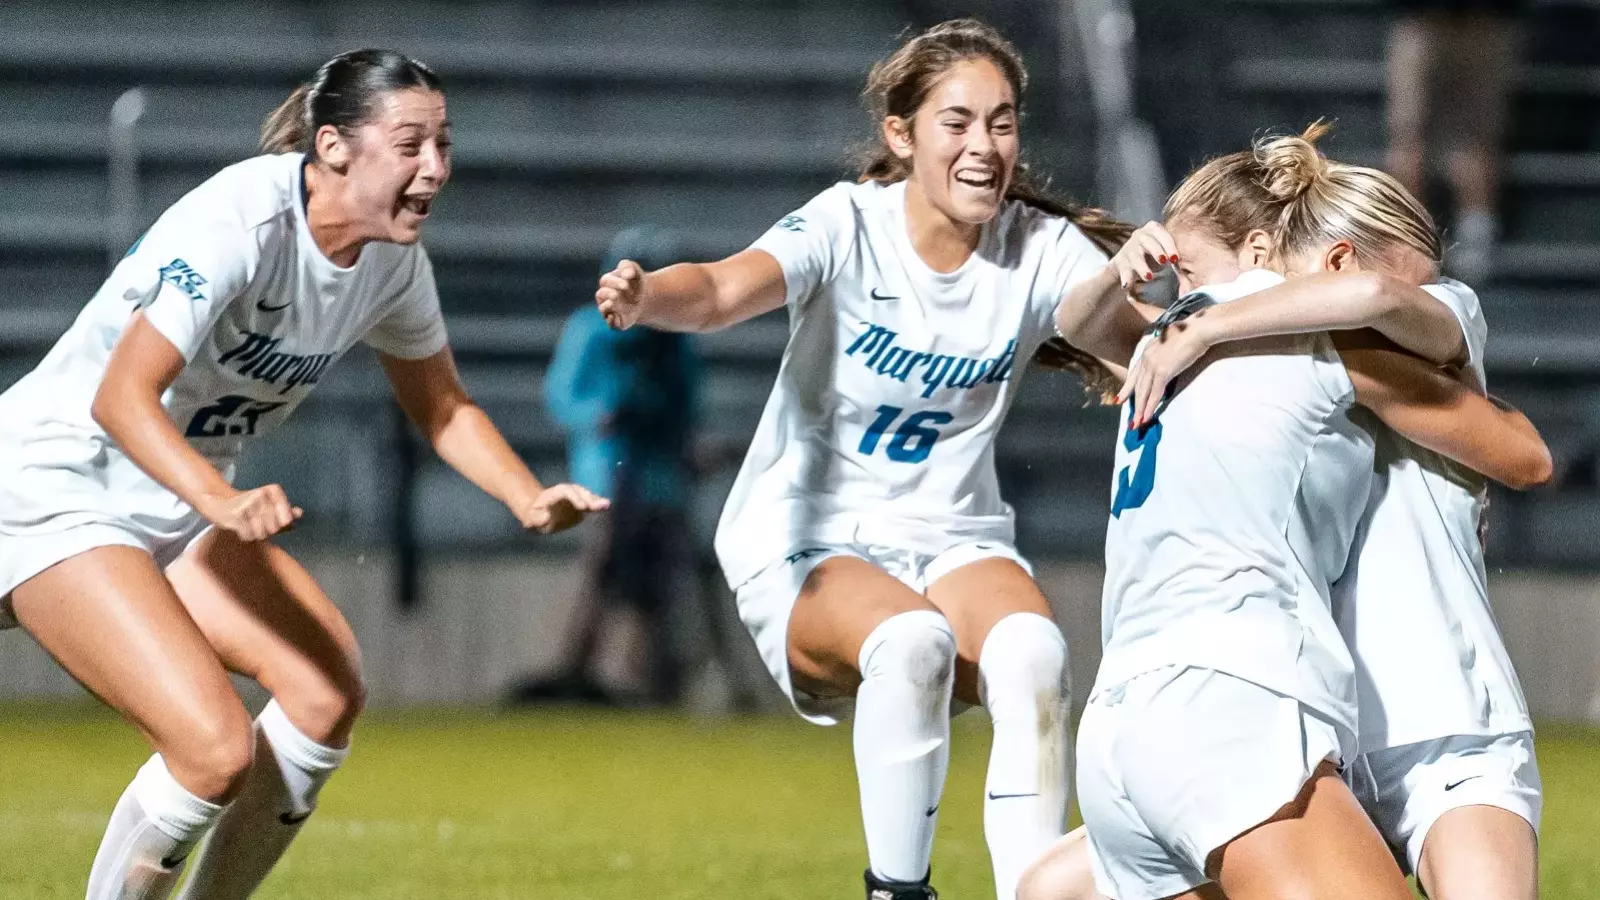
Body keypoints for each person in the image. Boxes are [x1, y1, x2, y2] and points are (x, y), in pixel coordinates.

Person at [0, 49, 606, 900]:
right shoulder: (240, 220)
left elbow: (442, 407)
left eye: (444, 143)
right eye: (410, 144)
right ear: (332, 147)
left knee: (324, 696)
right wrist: (221, 498)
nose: (435, 167)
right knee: (213, 749)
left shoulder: (393, 265)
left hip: (175, 502)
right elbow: (120, 398)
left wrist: (526, 495)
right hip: (58, 482)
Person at [595, 19, 1129, 900]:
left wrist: (1158, 304)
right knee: (913, 642)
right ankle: (896, 891)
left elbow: (1115, 333)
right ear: (901, 134)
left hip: (953, 534)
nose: (984, 146)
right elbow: (726, 286)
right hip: (809, 539)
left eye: (1002, 122)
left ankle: (1036, 890)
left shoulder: (1038, 247)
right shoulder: (848, 223)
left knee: (1034, 651)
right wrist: (651, 294)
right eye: (956, 122)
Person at [1050, 126, 1549, 900]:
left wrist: (1186, 317)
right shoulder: (1294, 340)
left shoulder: (1193, 340)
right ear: (1328, 260)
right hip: (1257, 700)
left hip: (1408, 717)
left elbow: (1523, 453)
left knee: (1054, 885)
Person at [519, 225, 700, 705]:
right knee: (601, 568)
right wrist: (600, 415)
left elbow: (685, 408)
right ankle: (578, 668)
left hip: (658, 477)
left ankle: (647, 676)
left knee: (656, 578)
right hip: (606, 474)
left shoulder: (674, 339)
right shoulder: (590, 330)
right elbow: (562, 396)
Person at [1385, 0, 1528, 281]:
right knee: (1409, 138)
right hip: (1425, 21)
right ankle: (1412, 240)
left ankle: (1473, 237)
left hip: (1482, 22)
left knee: (1473, 140)